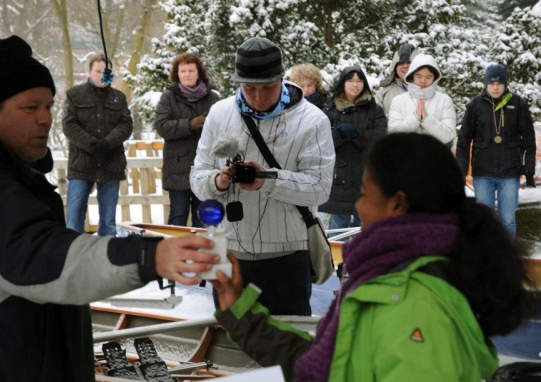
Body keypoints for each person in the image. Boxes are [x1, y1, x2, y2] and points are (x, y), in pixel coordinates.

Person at [0, 35, 220, 382]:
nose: (45, 119)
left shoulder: (6, 175)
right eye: (30, 108)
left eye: (48, 106)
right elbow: (39, 255)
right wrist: (151, 256)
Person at [211, 132, 537, 382]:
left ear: (397, 203)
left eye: (365, 194)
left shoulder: (415, 305)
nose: (358, 206)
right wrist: (240, 313)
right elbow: (329, 363)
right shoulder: (386, 281)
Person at [190, 37, 335, 316]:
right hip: (227, 250)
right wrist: (217, 181)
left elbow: (320, 188)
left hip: (286, 254)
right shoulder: (219, 113)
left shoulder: (313, 121)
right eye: (249, 88)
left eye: (268, 87)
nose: (258, 97)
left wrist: (267, 180)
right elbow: (197, 175)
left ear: (282, 78)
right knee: (233, 342)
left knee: (289, 344)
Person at [456, 64, 536, 236]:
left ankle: (508, 261)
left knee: (508, 220)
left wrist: (528, 170)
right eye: (492, 83)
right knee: (484, 221)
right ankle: (485, 260)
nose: (496, 87)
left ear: (505, 84)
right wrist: (461, 171)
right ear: (486, 84)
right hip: (482, 174)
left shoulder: (518, 103)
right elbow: (463, 141)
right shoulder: (475, 106)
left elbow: (529, 140)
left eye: (500, 83)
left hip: (509, 174)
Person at [62, 53, 132, 236]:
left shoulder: (119, 98)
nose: (101, 75)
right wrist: (92, 144)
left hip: (111, 163)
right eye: (97, 71)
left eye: (105, 72)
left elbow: (126, 125)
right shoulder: (74, 95)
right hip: (81, 164)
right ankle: (73, 254)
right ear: (89, 72)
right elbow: (69, 125)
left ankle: (106, 257)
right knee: (74, 214)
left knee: (108, 220)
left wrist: (108, 143)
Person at [319, 66, 386, 237]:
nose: (355, 85)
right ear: (343, 83)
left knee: (362, 229)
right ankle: (335, 263)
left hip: (365, 176)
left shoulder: (374, 110)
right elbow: (320, 141)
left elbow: (380, 137)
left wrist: (358, 135)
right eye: (350, 80)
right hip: (338, 177)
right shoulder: (330, 109)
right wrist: (338, 134)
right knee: (337, 230)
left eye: (359, 80)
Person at [154, 53, 219, 227]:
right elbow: (161, 126)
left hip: (205, 167)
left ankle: (202, 253)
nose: (187, 74)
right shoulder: (169, 97)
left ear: (199, 73)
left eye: (191, 70)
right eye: (183, 71)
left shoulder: (212, 98)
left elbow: (222, 127)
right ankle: (176, 254)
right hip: (177, 169)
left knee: (203, 218)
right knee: (178, 216)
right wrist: (189, 124)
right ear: (177, 74)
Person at [387, 53, 457, 146]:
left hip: (436, 157)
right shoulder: (398, 101)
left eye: (428, 77)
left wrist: (426, 119)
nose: (423, 81)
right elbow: (393, 136)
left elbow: (449, 135)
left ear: (435, 78)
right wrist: (415, 117)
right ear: (412, 76)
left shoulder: (444, 100)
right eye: (419, 76)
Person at [375, 43, 419, 115]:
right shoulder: (382, 94)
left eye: (409, 62)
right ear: (395, 67)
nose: (405, 66)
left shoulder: (435, 91)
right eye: (401, 63)